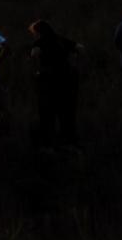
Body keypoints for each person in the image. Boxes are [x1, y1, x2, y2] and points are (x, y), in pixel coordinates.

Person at [26, 19, 82, 147]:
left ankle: (49, 140)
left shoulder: (39, 42)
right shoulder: (61, 39)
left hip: (48, 80)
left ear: (38, 32)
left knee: (47, 110)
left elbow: (34, 54)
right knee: (66, 110)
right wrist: (76, 66)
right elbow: (80, 48)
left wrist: (36, 70)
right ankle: (69, 139)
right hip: (67, 78)